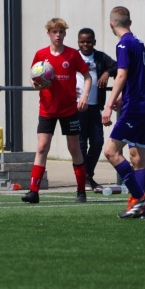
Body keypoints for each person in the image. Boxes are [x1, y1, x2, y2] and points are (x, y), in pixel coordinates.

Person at [22, 18, 92, 204]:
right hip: (47, 109)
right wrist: (36, 84)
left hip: (69, 109)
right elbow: (33, 77)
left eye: (61, 32)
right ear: (49, 34)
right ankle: (33, 191)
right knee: (42, 147)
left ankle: (80, 191)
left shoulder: (72, 55)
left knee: (74, 148)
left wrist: (84, 95)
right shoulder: (41, 55)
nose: (58, 35)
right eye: (54, 32)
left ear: (65, 34)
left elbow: (87, 76)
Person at [102, 6, 145, 218]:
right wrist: (122, 97)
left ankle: (139, 198)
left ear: (111, 24)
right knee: (137, 156)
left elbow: (121, 75)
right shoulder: (139, 43)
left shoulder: (123, 44)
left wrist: (109, 104)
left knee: (110, 152)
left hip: (134, 108)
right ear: (129, 22)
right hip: (143, 105)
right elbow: (136, 76)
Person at [75, 28, 118, 191]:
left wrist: (107, 72)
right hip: (77, 106)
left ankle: (88, 175)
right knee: (80, 144)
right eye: (82, 42)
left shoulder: (99, 57)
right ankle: (85, 179)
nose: (85, 44)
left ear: (94, 42)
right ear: (78, 42)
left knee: (98, 142)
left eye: (88, 41)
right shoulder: (73, 56)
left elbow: (117, 66)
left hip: (94, 107)